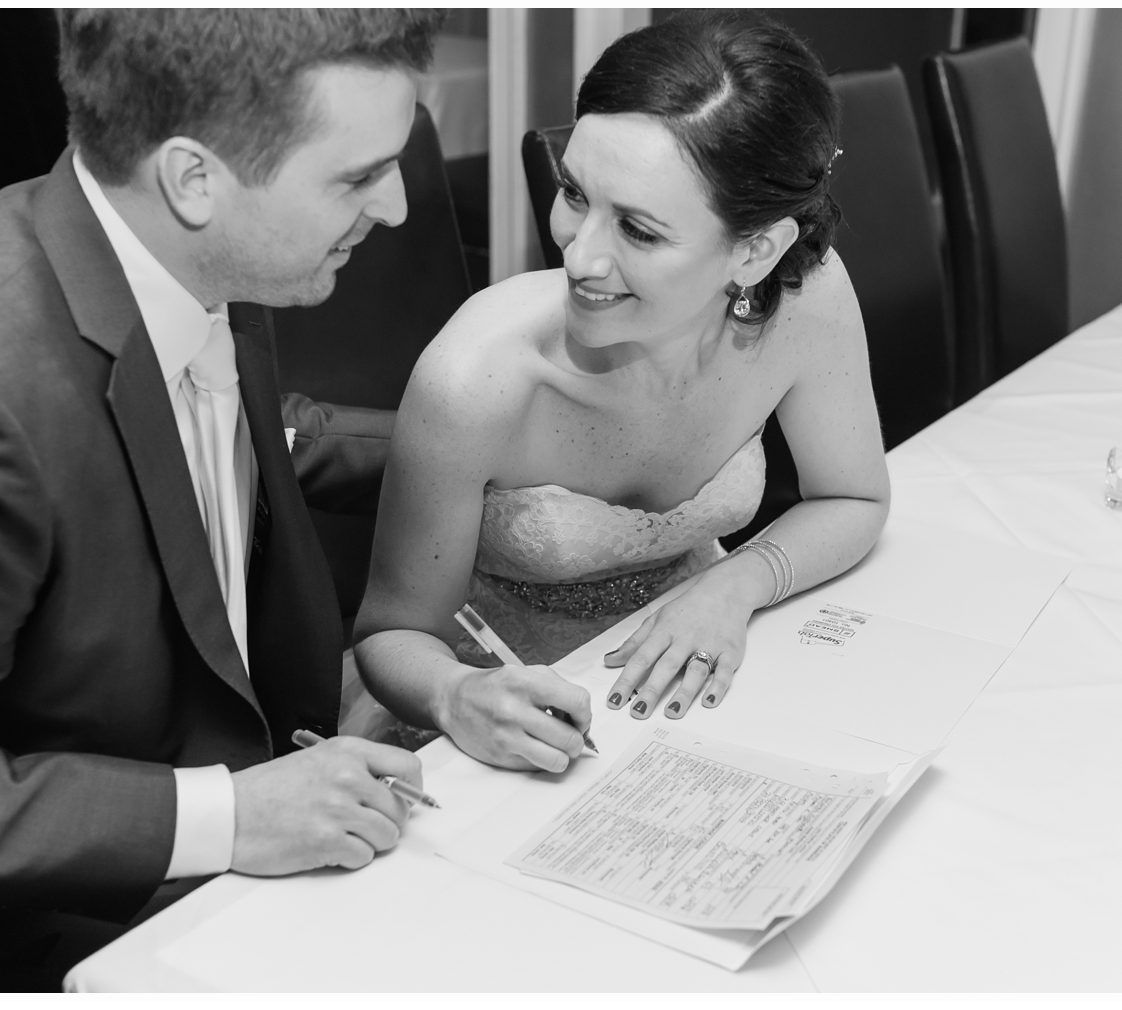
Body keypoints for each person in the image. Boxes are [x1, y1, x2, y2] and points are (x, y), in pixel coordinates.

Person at [0, 9, 439, 986]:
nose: (400, 207)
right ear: (195, 177)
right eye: (360, 176)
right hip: (36, 939)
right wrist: (232, 815)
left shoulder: (194, 255)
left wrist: (479, 444)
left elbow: (229, 431)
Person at [353, 10, 890, 775]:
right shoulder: (480, 377)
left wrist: (737, 584)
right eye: (575, 194)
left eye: (638, 230)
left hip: (706, 678)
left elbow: (855, 499)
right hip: (501, 727)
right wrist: (454, 695)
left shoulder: (809, 302)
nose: (580, 256)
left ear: (756, 250)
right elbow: (390, 635)